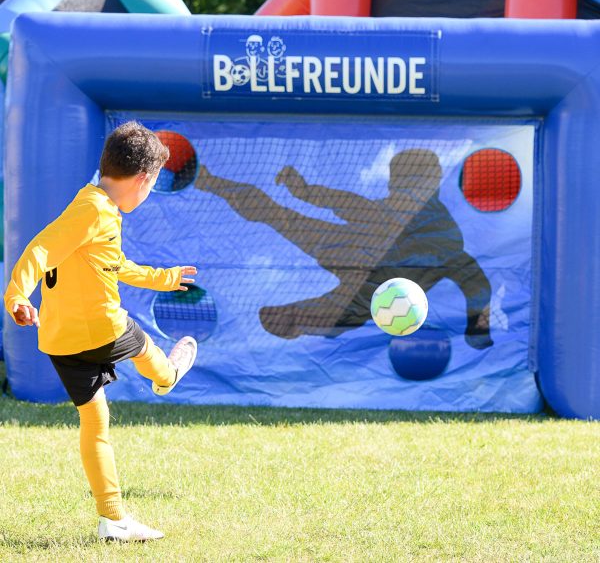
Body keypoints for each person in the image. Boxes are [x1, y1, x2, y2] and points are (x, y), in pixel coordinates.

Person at [4, 121, 198, 542]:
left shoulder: (91, 205)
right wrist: (17, 293)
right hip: (103, 328)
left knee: (95, 422)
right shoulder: (94, 210)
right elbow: (41, 246)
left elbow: (116, 265)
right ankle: (167, 376)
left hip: (60, 340)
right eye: (152, 185)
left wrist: (164, 278)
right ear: (144, 180)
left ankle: (112, 519)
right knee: (150, 355)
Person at [195, 148, 492, 349]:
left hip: (369, 266)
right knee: (282, 218)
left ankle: (303, 316)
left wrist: (478, 325)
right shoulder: (427, 229)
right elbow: (348, 204)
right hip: (361, 250)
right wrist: (478, 327)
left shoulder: (440, 235)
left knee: (284, 221)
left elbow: (474, 280)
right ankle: (306, 316)